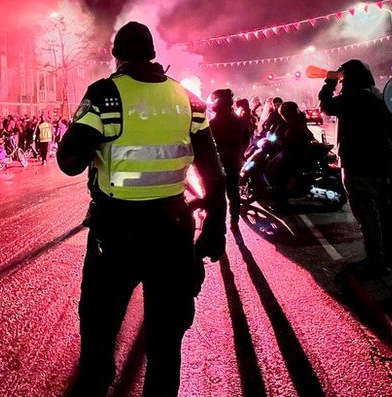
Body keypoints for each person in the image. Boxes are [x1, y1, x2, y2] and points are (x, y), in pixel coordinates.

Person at [57, 21, 226, 396]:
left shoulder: (104, 95)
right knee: (167, 338)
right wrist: (216, 229)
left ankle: (98, 382)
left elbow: (69, 161)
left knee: (100, 324)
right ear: (153, 54)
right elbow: (214, 172)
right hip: (173, 230)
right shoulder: (186, 97)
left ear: (116, 55)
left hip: (117, 233)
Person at [319, 59, 392, 275]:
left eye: (343, 77)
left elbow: (326, 106)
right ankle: (391, 255)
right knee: (384, 213)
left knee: (367, 216)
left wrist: (329, 83)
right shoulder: (378, 97)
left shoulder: (352, 99)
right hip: (382, 162)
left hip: (358, 163)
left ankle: (376, 262)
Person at [209, 89, 251, 223]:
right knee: (233, 192)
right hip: (234, 160)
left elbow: (209, 144)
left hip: (219, 163)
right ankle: (234, 220)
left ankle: (220, 222)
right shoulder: (239, 120)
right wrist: (239, 152)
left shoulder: (214, 122)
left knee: (218, 193)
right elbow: (246, 139)